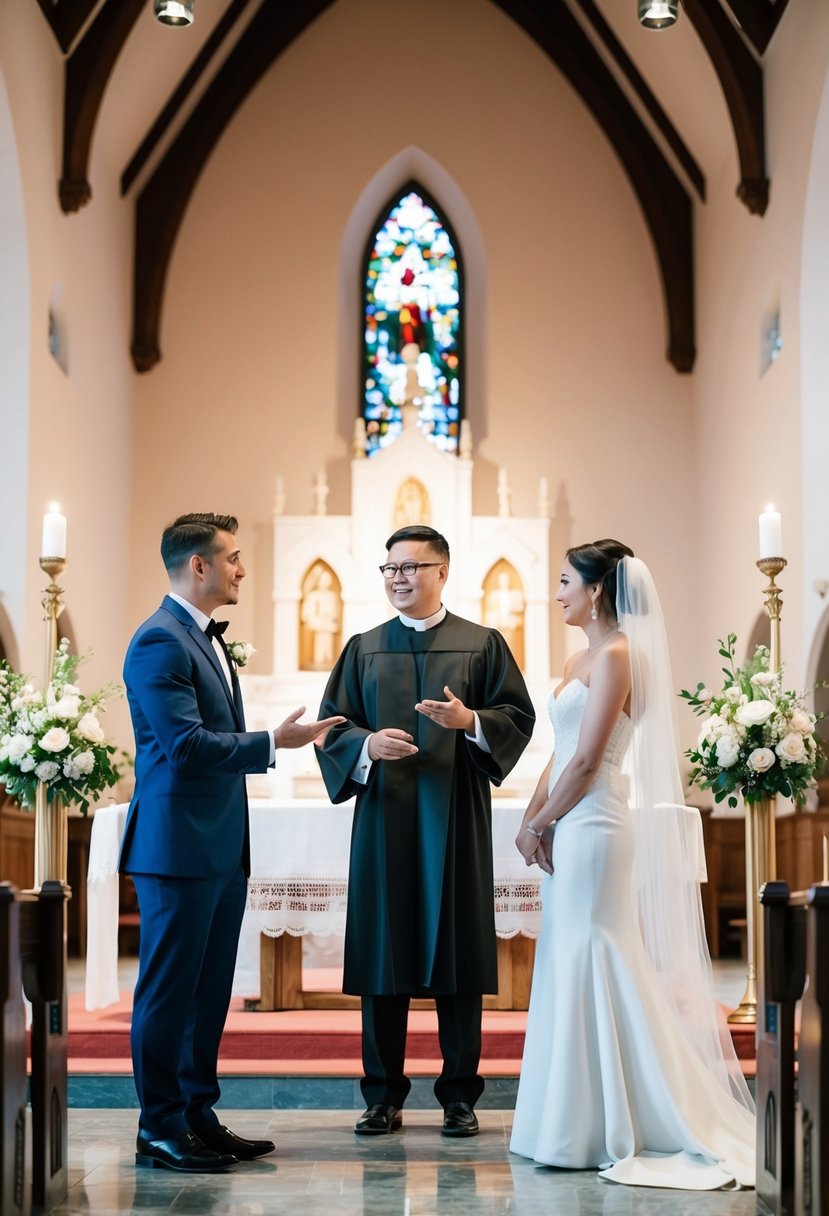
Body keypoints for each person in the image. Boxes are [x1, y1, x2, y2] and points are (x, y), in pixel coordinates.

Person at [509, 540, 756, 1190]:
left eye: (564, 581)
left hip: (594, 822)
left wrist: (544, 822)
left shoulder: (619, 655)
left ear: (596, 590)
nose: (555, 591)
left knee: (597, 949)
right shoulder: (577, 656)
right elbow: (557, 753)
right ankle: (567, 1122)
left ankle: (621, 1116)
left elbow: (590, 761)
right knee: (568, 954)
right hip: (568, 814)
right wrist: (528, 817)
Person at [120, 513, 343, 1174]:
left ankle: (195, 1115)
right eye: (234, 558)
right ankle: (157, 1126)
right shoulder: (159, 641)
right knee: (168, 993)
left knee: (207, 990)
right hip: (175, 848)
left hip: (216, 847)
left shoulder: (202, 639)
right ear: (200, 566)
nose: (242, 569)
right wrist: (275, 743)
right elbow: (185, 748)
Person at [315, 525, 535, 1138]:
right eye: (389, 569)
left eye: (411, 567)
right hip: (385, 816)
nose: (398, 578)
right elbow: (332, 727)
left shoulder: (482, 644)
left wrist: (471, 721)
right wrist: (365, 744)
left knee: (457, 950)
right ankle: (382, 1095)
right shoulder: (363, 648)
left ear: (442, 571)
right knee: (385, 952)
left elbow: (517, 716)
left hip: (454, 818)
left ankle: (459, 1097)